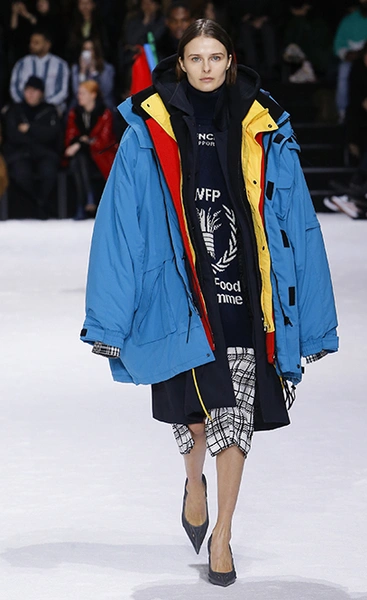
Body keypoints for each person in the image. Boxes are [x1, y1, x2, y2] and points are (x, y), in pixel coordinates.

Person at [80, 19, 338, 586]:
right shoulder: (149, 127)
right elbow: (119, 224)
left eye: (215, 57)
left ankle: (223, 533)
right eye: (195, 58)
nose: (205, 67)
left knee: (236, 415)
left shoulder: (262, 122)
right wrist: (109, 320)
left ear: (230, 60)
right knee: (195, 421)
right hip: (180, 291)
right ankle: (193, 482)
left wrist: (313, 322)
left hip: (245, 287)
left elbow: (297, 220)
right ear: (181, 63)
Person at [3, 75, 61, 219]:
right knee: (21, 175)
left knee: (49, 173)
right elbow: (12, 135)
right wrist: (38, 135)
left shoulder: (49, 110)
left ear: (41, 93)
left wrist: (30, 128)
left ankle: (40, 203)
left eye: (34, 91)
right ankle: (39, 203)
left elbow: (52, 134)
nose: (30, 94)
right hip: (21, 154)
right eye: (27, 90)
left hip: (45, 154)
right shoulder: (15, 110)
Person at [64, 80, 117, 219]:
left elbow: (103, 142)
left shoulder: (105, 113)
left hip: (101, 156)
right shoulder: (75, 113)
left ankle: (84, 203)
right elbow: (71, 136)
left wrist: (81, 143)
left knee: (79, 160)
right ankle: (88, 199)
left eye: (82, 93)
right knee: (79, 160)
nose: (79, 96)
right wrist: (83, 142)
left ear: (93, 95)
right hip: (83, 156)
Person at [9, 29, 69, 114]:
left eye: (36, 43)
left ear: (47, 45)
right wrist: (24, 104)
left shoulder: (60, 65)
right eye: (31, 42)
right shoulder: (22, 63)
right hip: (24, 110)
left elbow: (63, 91)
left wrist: (44, 107)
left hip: (51, 110)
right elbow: (14, 88)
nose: (32, 45)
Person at [70, 38, 116, 109]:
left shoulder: (107, 68)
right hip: (81, 106)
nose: (87, 52)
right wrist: (82, 71)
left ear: (96, 51)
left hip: (103, 105)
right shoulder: (76, 68)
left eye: (90, 49)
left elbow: (106, 91)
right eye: (85, 49)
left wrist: (93, 71)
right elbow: (76, 92)